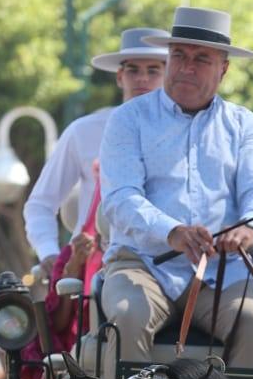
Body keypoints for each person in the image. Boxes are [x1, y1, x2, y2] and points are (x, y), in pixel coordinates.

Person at [97, 7, 253, 371]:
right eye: (178, 55)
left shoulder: (245, 126)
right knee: (126, 315)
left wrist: (249, 226)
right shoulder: (128, 119)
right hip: (141, 265)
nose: (186, 67)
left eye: (201, 59)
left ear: (223, 69)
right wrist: (173, 232)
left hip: (221, 273)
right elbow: (120, 198)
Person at [23, 26, 170, 279]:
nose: (142, 79)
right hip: (91, 266)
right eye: (133, 70)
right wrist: (48, 253)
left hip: (166, 263)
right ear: (120, 77)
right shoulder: (83, 131)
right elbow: (41, 204)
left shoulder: (185, 133)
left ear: (167, 77)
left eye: (153, 70)